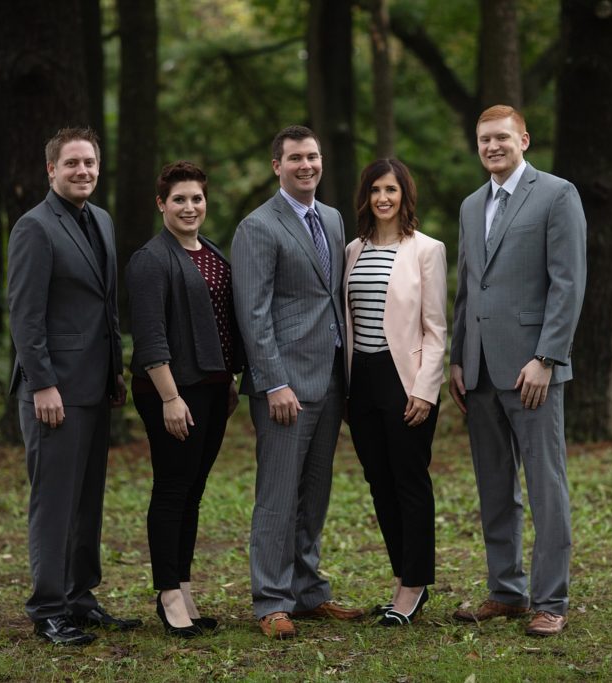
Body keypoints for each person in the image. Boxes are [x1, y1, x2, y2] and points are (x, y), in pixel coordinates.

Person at [449, 105, 587, 637]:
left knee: (545, 485)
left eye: (502, 137)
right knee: (494, 485)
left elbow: (567, 283)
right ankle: (506, 591)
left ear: (524, 138)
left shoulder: (557, 194)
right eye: (484, 139)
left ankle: (550, 600)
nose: (492, 146)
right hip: (480, 370)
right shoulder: (469, 205)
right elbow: (467, 287)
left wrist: (547, 358)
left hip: (533, 369)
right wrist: (460, 356)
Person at [7, 127, 140, 646]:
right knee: (55, 501)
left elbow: (104, 308)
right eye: (72, 164)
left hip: (93, 387)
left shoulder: (100, 221)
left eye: (89, 163)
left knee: (87, 502)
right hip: (53, 393)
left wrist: (115, 374)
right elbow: (25, 315)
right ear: (51, 170)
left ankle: (80, 599)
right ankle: (48, 609)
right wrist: (42, 385)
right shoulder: (34, 228)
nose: (82, 171)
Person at [232, 125, 364, 639]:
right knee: (277, 495)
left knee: (315, 492)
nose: (306, 165)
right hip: (284, 385)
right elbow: (254, 313)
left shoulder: (330, 218)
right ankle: (270, 601)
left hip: (331, 378)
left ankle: (308, 591)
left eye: (312, 156)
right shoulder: (258, 227)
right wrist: (272, 383)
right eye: (295, 159)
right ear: (277, 166)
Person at [125, 161, 243, 638]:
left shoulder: (210, 252)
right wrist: (170, 398)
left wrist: (228, 378)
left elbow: (218, 323)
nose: (190, 207)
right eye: (179, 199)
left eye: (196, 198)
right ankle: (167, 593)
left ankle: (185, 586)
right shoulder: (150, 259)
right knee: (173, 488)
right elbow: (150, 337)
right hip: (172, 390)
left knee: (193, 490)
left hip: (212, 388)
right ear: (162, 204)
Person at [343, 159, 447, 627]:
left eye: (392, 189)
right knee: (378, 482)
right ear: (365, 197)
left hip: (406, 380)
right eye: (375, 190)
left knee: (409, 480)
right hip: (360, 380)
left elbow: (436, 327)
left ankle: (414, 584)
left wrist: (426, 390)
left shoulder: (427, 250)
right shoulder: (353, 249)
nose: (383, 198)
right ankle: (402, 575)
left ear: (405, 195)